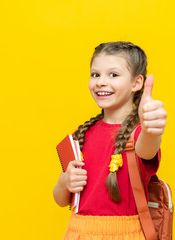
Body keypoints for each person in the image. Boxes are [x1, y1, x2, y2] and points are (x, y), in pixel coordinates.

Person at [53, 41, 167, 239]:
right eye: (95, 74)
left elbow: (147, 149)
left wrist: (151, 130)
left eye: (113, 75)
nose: (100, 82)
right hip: (77, 233)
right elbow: (61, 200)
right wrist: (64, 183)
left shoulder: (139, 133)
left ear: (136, 83)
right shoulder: (79, 135)